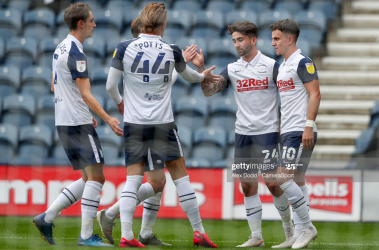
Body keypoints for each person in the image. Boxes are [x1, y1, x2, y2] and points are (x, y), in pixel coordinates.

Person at [105, 2, 218, 248]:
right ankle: (198, 232)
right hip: (163, 124)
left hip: (134, 124)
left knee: (133, 180)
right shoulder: (171, 49)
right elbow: (190, 77)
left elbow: (110, 86)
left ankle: (127, 236)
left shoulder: (124, 47)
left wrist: (121, 104)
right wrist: (202, 74)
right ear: (163, 24)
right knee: (180, 176)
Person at [196, 20, 294, 247]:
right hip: (243, 134)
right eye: (234, 41)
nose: (237, 45)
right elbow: (210, 91)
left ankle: (290, 232)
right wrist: (201, 71)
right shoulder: (232, 69)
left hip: (268, 132)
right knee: (247, 186)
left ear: (253, 39)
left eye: (240, 40)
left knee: (273, 184)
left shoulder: (271, 66)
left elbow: (289, 96)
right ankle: (256, 237)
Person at [32, 3, 122, 247]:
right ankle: (85, 237)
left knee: (87, 177)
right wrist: (108, 118)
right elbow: (86, 93)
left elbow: (55, 86)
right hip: (78, 123)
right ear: (81, 23)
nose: (94, 24)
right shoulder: (76, 53)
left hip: (63, 121)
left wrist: (79, 107)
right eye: (91, 20)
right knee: (97, 177)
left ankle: (47, 217)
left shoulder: (59, 48)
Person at [270, 19, 321, 249]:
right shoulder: (282, 66)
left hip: (301, 130)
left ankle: (308, 227)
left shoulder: (303, 62)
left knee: (283, 178)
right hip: (289, 130)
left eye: (276, 38)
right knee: (297, 180)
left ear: (290, 39)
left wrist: (309, 125)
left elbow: (315, 94)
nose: (273, 43)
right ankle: (299, 234)